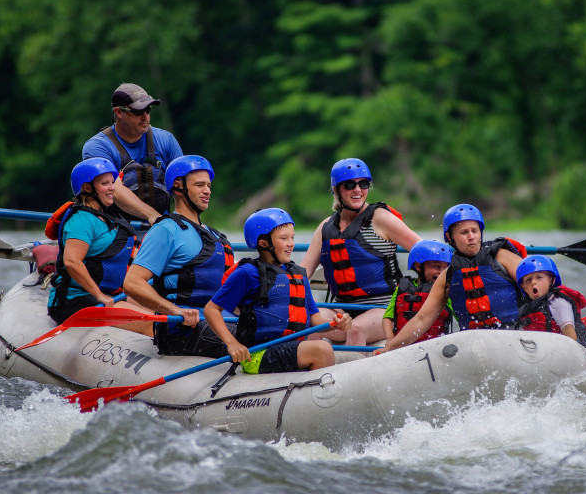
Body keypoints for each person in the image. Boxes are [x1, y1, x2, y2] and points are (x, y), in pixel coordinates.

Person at [204, 208, 352, 373]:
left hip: (292, 347)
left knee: (321, 347)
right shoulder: (247, 273)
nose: (291, 244)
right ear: (264, 243)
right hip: (258, 354)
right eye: (284, 238)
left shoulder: (298, 274)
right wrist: (232, 344)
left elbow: (314, 318)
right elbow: (211, 310)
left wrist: (335, 324)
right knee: (322, 349)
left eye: (292, 238)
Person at [300, 158, 421, 346]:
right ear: (336, 190)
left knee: (355, 330)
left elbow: (423, 249)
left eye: (363, 184)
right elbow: (300, 274)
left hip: (384, 306)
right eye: (349, 185)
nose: (357, 190)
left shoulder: (380, 218)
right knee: (306, 321)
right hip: (343, 307)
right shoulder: (325, 227)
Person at [123, 155, 236, 357]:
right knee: (255, 338)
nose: (207, 191)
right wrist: (175, 311)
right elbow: (132, 284)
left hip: (220, 320)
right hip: (181, 330)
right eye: (200, 185)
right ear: (178, 186)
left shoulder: (215, 235)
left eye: (209, 185)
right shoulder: (166, 230)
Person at [375, 203, 526, 354]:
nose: (471, 237)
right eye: (464, 232)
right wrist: (390, 347)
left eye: (475, 230)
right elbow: (422, 319)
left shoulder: (502, 257)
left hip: (513, 336)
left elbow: (537, 288)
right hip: (474, 344)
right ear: (450, 237)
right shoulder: (447, 276)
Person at [47, 158, 152, 336]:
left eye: (112, 182)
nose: (112, 188)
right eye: (105, 183)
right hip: (76, 300)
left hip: (109, 294)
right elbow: (72, 262)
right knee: (151, 323)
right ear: (87, 188)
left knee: (165, 312)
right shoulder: (81, 221)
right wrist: (99, 295)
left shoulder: (106, 217)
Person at [82, 83, 183, 224]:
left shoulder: (166, 140)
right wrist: (153, 216)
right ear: (118, 112)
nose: (145, 116)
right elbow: (113, 189)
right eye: (138, 112)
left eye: (148, 110)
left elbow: (185, 187)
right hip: (115, 231)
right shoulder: (97, 147)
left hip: (161, 228)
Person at [381, 240, 454, 344]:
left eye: (446, 268)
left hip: (434, 346)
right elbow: (387, 317)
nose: (442, 272)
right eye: (437, 266)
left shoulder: (446, 291)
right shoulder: (402, 287)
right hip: (404, 346)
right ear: (418, 266)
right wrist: (389, 339)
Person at [516, 255, 586, 350]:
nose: (533, 282)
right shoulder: (526, 309)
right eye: (528, 280)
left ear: (551, 280)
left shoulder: (557, 302)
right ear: (524, 287)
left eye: (539, 277)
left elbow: (571, 339)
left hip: (572, 352)